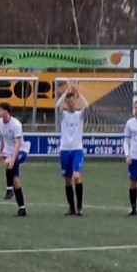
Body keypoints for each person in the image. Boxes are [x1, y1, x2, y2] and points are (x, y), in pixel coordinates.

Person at [57, 80, 88, 217]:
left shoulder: (79, 116)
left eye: (72, 101)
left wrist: (77, 91)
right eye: (67, 102)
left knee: (77, 176)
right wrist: (65, 92)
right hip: (65, 150)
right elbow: (57, 105)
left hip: (77, 150)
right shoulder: (63, 116)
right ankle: (71, 207)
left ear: (75, 102)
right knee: (67, 179)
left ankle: (80, 207)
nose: (70, 104)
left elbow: (86, 105)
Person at [0, 103, 28, 217]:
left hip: (21, 150)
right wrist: (0, 152)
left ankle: (9, 189)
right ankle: (22, 208)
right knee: (16, 181)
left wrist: (13, 158)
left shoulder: (16, 124)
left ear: (6, 111)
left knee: (9, 163)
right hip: (8, 151)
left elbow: (18, 143)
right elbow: (2, 137)